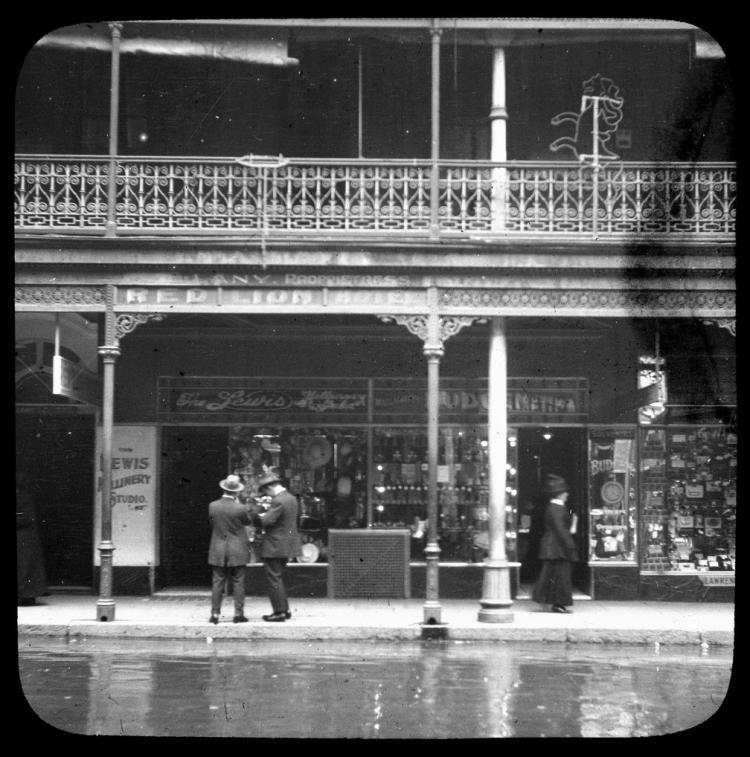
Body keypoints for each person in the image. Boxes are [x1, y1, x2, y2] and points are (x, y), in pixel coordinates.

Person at [251, 470, 302, 622]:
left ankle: (279, 612)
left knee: (273, 579)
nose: (268, 495)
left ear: (270, 487)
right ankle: (284, 610)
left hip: (275, 545)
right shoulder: (291, 498)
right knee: (277, 577)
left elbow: (267, 521)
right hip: (287, 544)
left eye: (266, 492)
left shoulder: (279, 500)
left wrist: (256, 515)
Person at [208, 474, 252, 624]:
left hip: (218, 547)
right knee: (239, 581)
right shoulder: (240, 508)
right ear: (237, 491)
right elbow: (247, 522)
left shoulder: (213, 506)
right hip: (237, 548)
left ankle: (215, 614)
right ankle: (238, 614)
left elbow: (213, 523)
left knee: (218, 581)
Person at [531, 473, 579, 613]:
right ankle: (558, 603)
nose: (567, 495)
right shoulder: (557, 509)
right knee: (561, 576)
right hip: (557, 548)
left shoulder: (555, 508)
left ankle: (551, 600)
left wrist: (574, 523)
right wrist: (570, 546)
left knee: (552, 575)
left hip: (553, 548)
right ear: (559, 494)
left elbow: (565, 529)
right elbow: (562, 531)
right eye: (565, 492)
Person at [16, 473, 47, 606]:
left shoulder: (23, 498)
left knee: (26, 568)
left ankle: (26, 596)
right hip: (22, 538)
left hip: (25, 538)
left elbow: (27, 518)